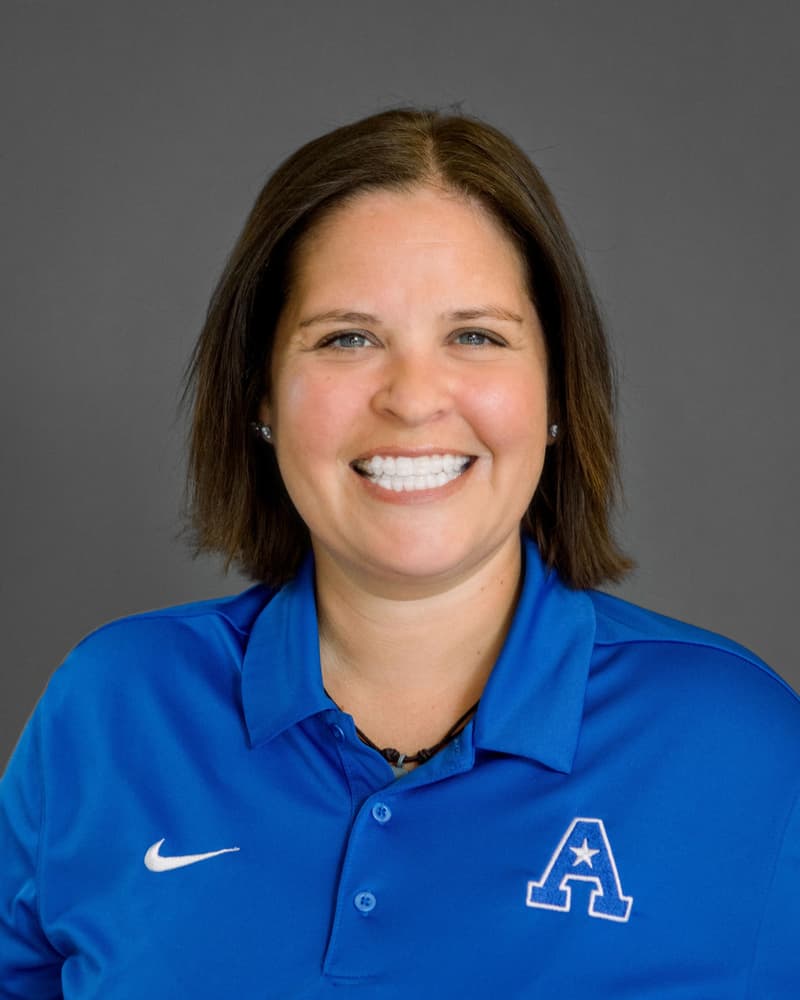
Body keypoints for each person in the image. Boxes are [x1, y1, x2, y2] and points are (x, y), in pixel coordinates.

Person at [1, 108, 798, 999]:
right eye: (348, 338)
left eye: (476, 336)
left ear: (556, 393)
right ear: (260, 395)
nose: (414, 399)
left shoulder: (746, 746)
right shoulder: (110, 710)